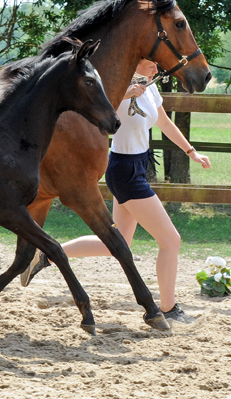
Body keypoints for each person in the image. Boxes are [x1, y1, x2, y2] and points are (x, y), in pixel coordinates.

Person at [20, 58, 211, 324]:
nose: (157, 68)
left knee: (117, 243)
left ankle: (46, 254)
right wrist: (125, 93)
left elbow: (164, 123)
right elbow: (93, 110)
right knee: (171, 240)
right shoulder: (112, 89)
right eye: (151, 63)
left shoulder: (150, 87)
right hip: (124, 171)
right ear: (136, 63)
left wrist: (191, 152)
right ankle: (168, 309)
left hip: (138, 166)